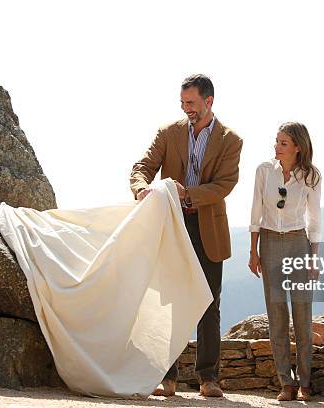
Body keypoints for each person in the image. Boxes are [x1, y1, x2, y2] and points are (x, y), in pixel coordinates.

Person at [130, 74, 242, 398]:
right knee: (170, 302)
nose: (186, 109)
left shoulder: (230, 140)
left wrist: (186, 193)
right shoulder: (169, 133)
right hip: (173, 227)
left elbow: (224, 185)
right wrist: (141, 189)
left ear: (209, 101)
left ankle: (209, 379)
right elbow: (143, 166)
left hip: (209, 228)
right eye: (182, 103)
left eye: (191, 103)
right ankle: (168, 379)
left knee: (209, 303)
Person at [248, 122, 321, 402]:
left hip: (298, 243)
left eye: (283, 143)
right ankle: (285, 383)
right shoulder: (264, 171)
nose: (276, 147)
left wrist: (314, 258)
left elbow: (314, 221)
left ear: (298, 147)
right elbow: (256, 211)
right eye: (276, 141)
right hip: (268, 242)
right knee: (276, 314)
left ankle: (305, 382)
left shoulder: (310, 176)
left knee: (302, 313)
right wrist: (253, 252)